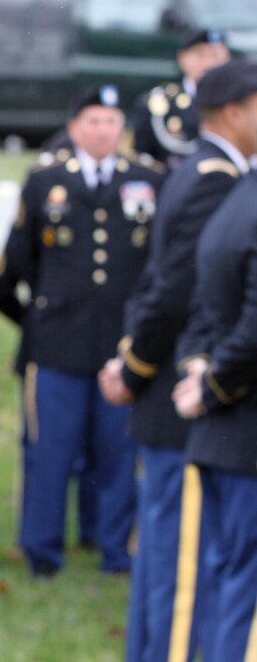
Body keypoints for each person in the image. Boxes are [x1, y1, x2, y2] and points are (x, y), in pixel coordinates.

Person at [98, 59, 257, 661]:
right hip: (187, 394)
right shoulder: (220, 181)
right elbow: (174, 293)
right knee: (185, 571)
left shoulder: (199, 172)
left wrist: (130, 362)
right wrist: (137, 367)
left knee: (169, 556)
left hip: (178, 386)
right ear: (236, 111)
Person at [0, 84, 165, 578]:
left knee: (117, 453)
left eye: (111, 121)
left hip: (121, 345)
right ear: (74, 128)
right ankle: (42, 553)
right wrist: (39, 322)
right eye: (92, 120)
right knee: (50, 453)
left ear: (122, 130)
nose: (102, 130)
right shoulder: (46, 180)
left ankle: (115, 550)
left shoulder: (147, 180)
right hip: (56, 346)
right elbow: (13, 270)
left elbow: (157, 267)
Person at [172, 163, 257, 662]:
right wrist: (213, 382)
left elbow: (206, 308)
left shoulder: (238, 196)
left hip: (224, 431)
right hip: (243, 424)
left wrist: (203, 371)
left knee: (223, 579)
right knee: (240, 592)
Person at [131, 27, 230, 169]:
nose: (209, 63)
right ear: (182, 58)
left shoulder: (239, 104)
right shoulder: (160, 103)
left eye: (215, 55)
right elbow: (142, 160)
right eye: (200, 55)